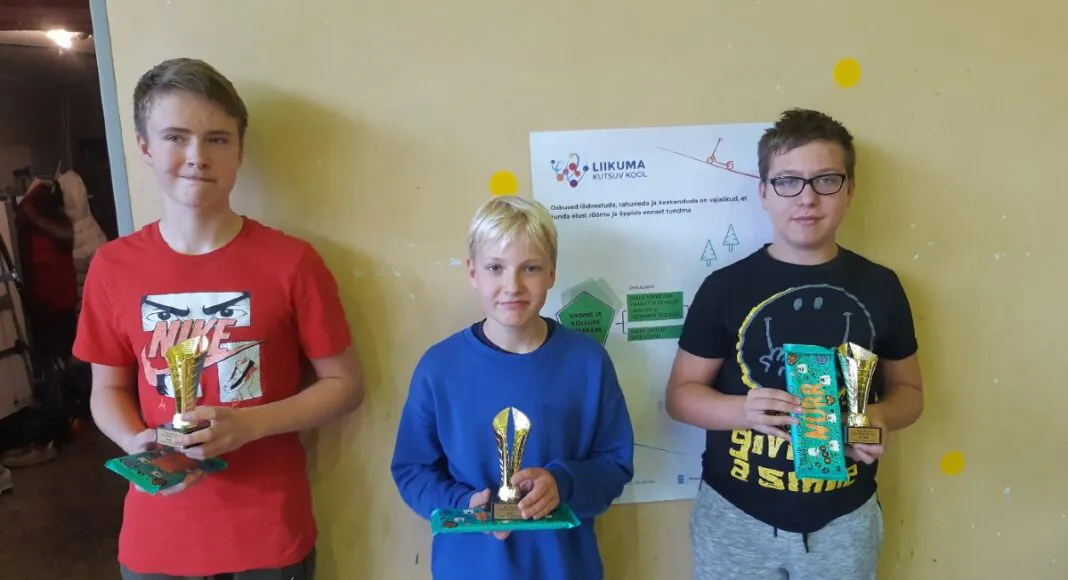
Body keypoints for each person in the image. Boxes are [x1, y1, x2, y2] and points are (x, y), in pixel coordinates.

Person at [72, 58, 365, 580]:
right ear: (144, 146)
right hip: (156, 541)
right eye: (175, 137)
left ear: (240, 151)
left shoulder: (293, 262)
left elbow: (345, 386)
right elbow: (106, 390)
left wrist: (252, 424)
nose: (196, 157)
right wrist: (135, 443)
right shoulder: (112, 267)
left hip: (268, 537)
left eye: (217, 139)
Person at [666, 108, 924, 579]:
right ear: (764, 192)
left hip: (844, 520)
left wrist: (879, 418)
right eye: (788, 181)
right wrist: (742, 411)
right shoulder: (725, 287)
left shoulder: (882, 287)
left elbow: (910, 393)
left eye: (825, 180)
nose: (807, 198)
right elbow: (680, 397)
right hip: (736, 518)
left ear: (850, 190)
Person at [390, 195, 635, 580]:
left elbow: (615, 464)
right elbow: (412, 470)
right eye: (495, 268)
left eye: (530, 268)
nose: (513, 285)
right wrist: (464, 503)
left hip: (563, 568)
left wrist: (563, 484)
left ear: (552, 273)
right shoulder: (438, 368)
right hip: (470, 568)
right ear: (473, 272)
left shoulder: (588, 363)